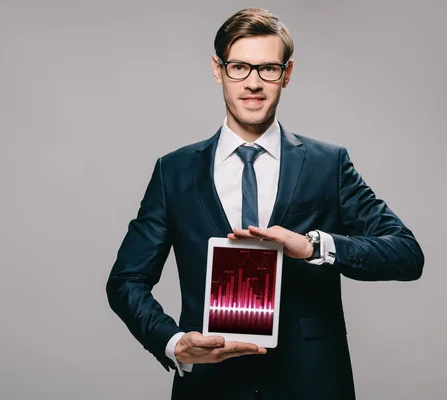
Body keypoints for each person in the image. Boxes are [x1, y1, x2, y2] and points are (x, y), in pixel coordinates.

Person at [106, 7, 424, 400]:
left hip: (311, 384)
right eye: (239, 66)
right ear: (217, 69)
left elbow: (407, 254)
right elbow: (125, 280)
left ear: (286, 74)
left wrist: (313, 247)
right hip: (210, 388)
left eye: (267, 69)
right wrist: (173, 342)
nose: (253, 82)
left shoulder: (328, 164)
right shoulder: (173, 172)